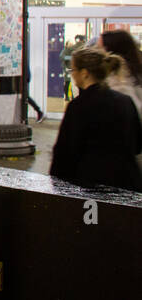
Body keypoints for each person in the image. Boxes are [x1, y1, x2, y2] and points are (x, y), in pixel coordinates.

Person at [49, 46, 142, 191]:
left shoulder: (78, 107)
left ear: (85, 73)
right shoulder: (125, 101)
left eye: (73, 70)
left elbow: (64, 154)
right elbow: (137, 144)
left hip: (92, 186)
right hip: (128, 183)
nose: (72, 74)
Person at [100, 30, 142, 124]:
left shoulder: (120, 79)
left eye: (99, 47)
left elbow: (133, 109)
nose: (96, 51)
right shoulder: (134, 72)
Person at [61, 34, 86, 100]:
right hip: (84, 71)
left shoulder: (71, 48)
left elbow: (62, 57)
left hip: (74, 70)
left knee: (74, 87)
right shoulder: (87, 47)